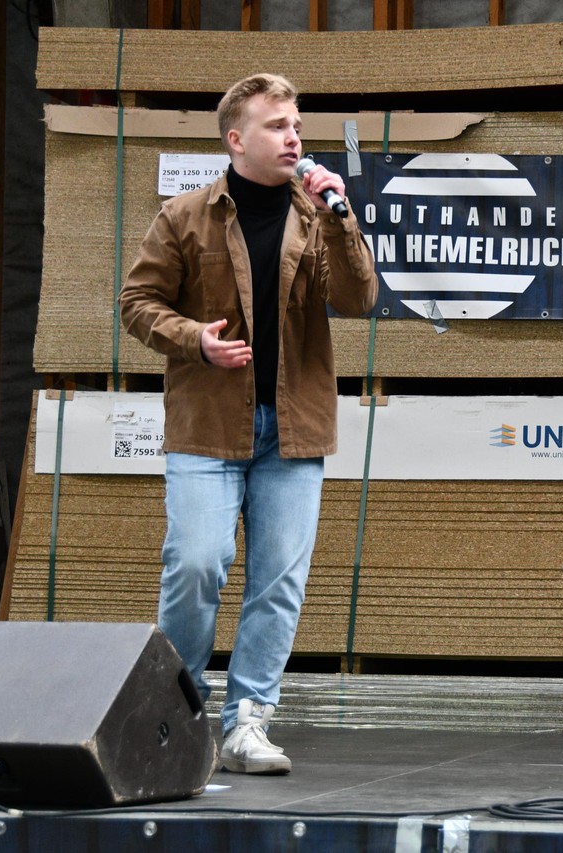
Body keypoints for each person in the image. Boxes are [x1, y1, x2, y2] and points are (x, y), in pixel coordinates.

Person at [120, 73, 377, 775]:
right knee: (197, 563)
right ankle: (175, 712)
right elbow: (136, 303)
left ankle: (247, 724)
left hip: (294, 428)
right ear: (237, 140)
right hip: (208, 423)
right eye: (276, 125)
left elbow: (358, 298)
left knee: (277, 581)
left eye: (296, 122)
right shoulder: (185, 216)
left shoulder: (317, 214)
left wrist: (340, 214)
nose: (294, 135)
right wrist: (193, 338)